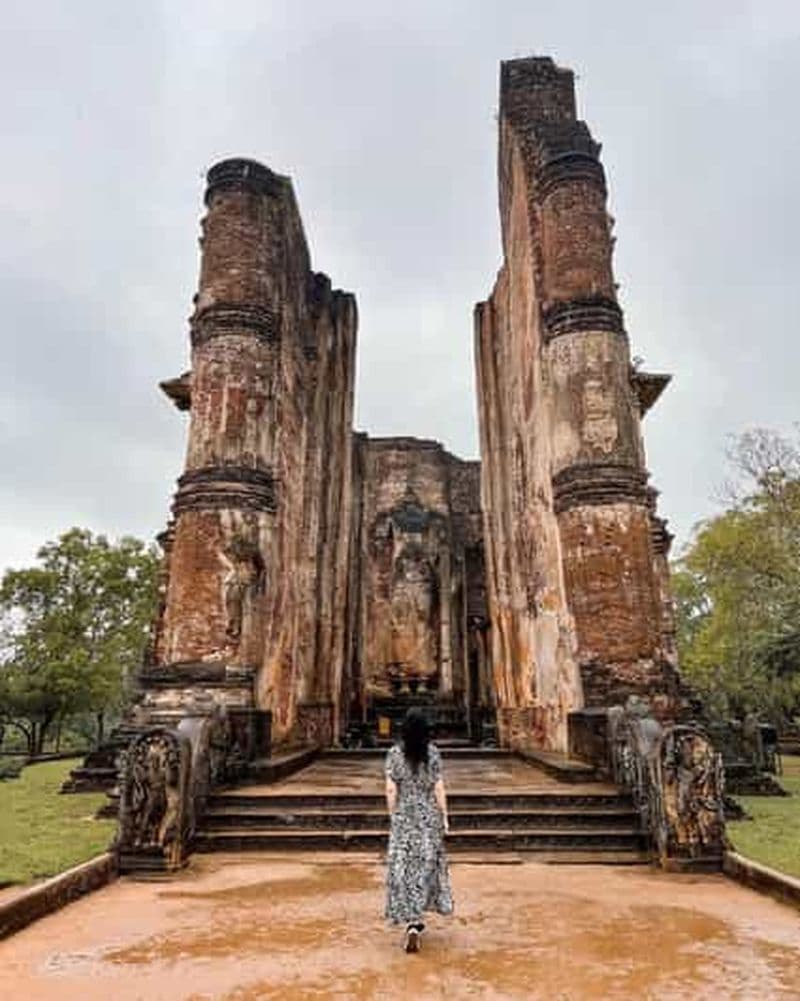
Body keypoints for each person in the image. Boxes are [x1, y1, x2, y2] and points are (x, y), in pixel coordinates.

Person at [384, 708, 453, 953]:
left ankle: (411, 921)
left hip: (405, 815)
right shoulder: (432, 753)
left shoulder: (393, 753)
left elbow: (391, 789)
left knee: (403, 867)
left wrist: (394, 816)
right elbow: (438, 787)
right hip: (428, 815)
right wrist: (444, 815)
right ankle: (417, 919)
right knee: (426, 865)